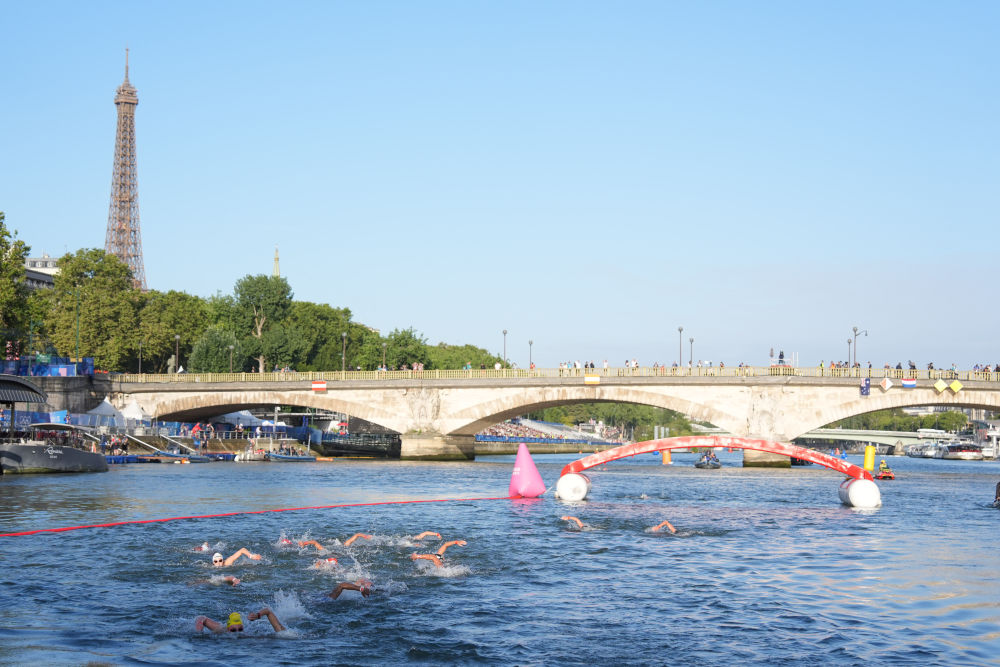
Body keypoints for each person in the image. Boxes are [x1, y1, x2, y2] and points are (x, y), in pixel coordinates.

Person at [195, 607, 285, 634]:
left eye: (240, 629)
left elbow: (268, 611)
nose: (237, 632)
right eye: (233, 630)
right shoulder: (222, 629)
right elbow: (202, 618)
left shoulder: (249, 633)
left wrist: (258, 615)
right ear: (228, 627)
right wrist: (199, 630)